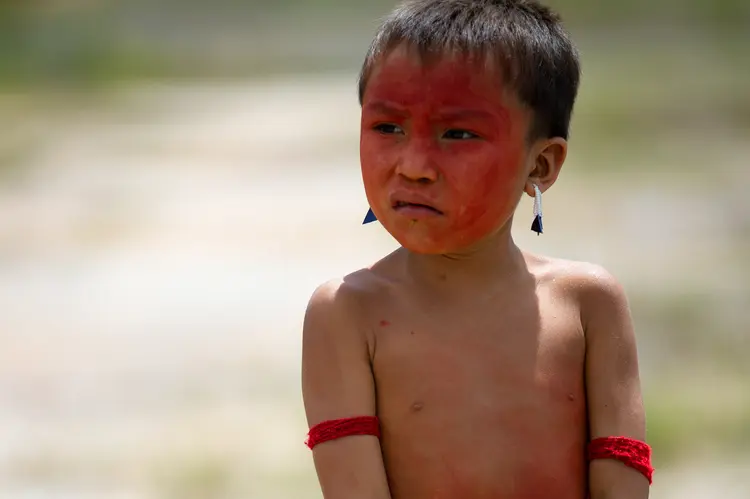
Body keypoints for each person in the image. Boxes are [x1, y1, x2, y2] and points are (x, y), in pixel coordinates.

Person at [301, 0, 653, 497]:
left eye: (457, 133)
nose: (414, 165)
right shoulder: (346, 314)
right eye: (388, 128)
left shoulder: (587, 305)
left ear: (542, 165)